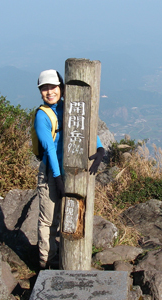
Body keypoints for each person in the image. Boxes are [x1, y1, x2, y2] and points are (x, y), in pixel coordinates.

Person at [35, 69, 104, 269]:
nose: (49, 92)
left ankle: (60, 256)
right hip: (51, 173)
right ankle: (44, 262)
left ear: (62, 88)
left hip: (69, 171)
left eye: (53, 87)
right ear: (40, 92)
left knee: (64, 217)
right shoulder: (42, 116)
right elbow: (48, 148)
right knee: (48, 220)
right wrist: (57, 178)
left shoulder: (67, 107)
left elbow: (84, 126)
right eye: (44, 88)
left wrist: (99, 147)